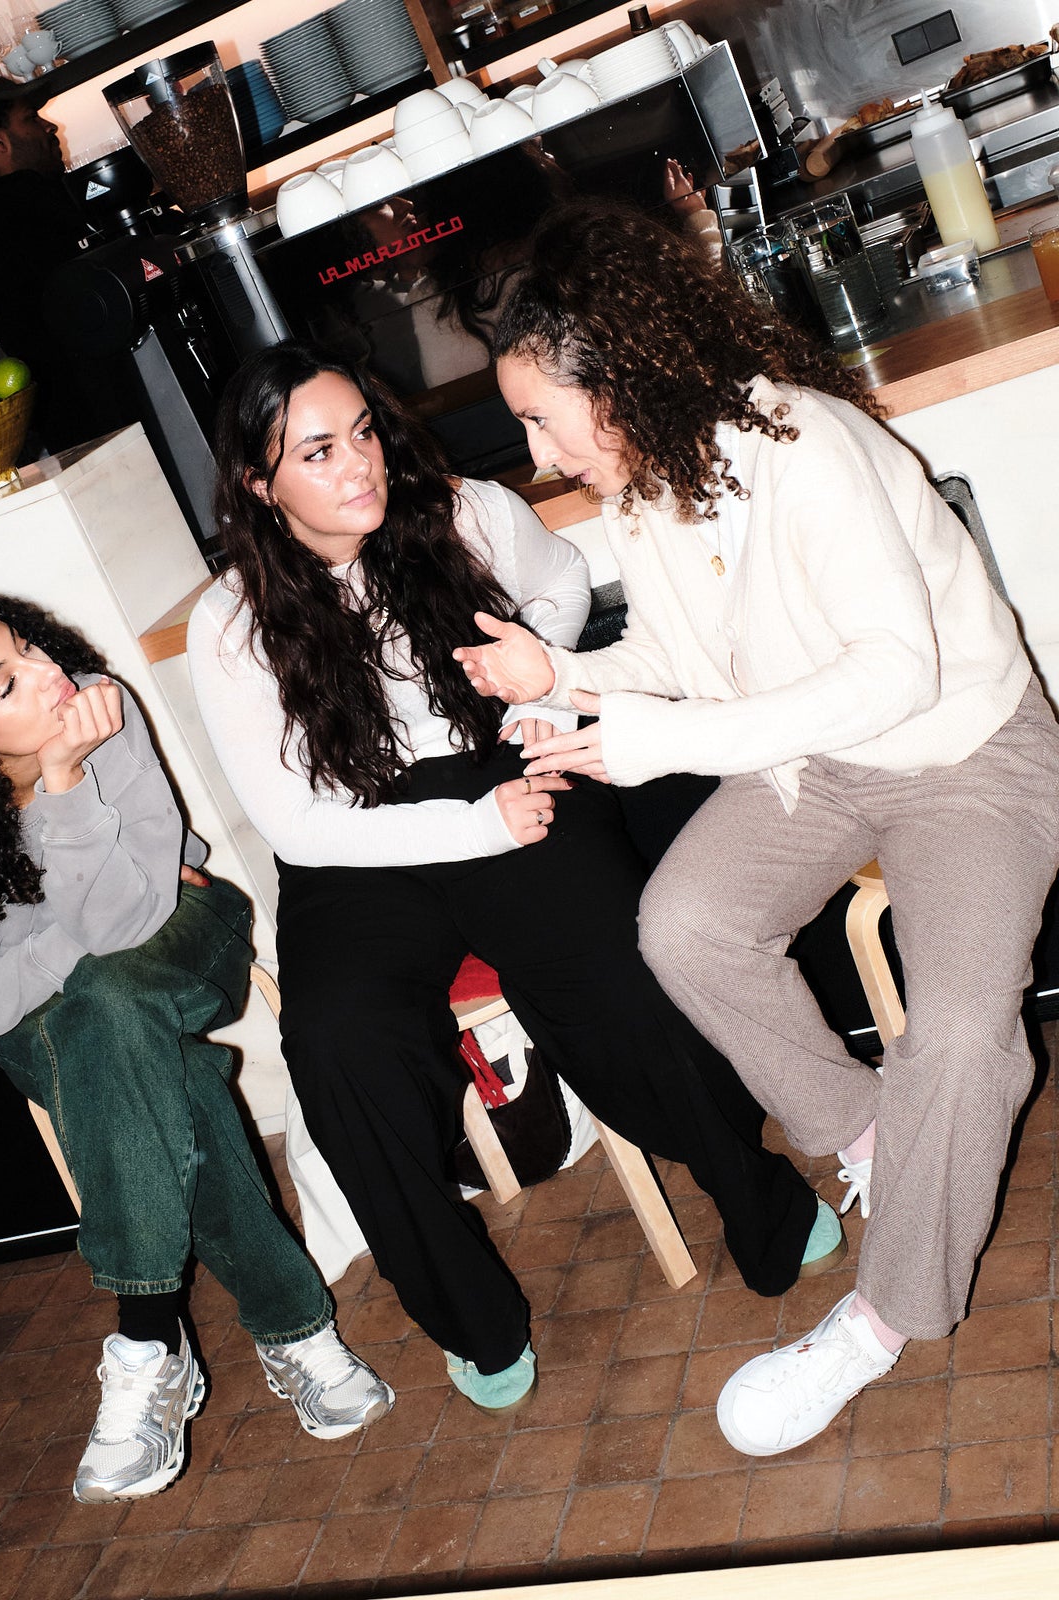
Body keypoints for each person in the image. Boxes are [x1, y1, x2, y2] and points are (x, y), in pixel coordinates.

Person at [454, 197, 1059, 1455]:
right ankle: (874, 1138)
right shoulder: (646, 477)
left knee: (959, 1034)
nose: (538, 455)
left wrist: (653, 740)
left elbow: (892, 672)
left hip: (963, 751)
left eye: (541, 418)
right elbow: (677, 649)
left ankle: (879, 1321)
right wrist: (563, 676)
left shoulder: (802, 445)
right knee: (683, 928)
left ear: (618, 380)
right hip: (815, 759)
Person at [186, 341, 848, 1415]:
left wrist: (535, 695)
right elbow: (295, 824)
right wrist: (469, 829)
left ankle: (753, 1192)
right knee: (337, 1042)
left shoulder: (465, 512)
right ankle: (470, 1316)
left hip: (501, 769)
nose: (359, 464)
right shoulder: (229, 621)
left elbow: (563, 584)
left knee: (615, 968)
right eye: (317, 451)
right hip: (357, 840)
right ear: (260, 485)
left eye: (363, 432)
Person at [0, 592, 393, 1505]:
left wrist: (65, 783)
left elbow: (130, 920)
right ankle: (295, 1331)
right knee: (137, 1046)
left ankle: (148, 1338)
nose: (48, 673)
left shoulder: (100, 708)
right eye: (7, 683)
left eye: (26, 646)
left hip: (185, 934)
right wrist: (64, 947)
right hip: (58, 1020)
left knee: (107, 1002)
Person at [0, 77, 131, 453]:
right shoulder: (20, 207)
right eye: (31, 118)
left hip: (85, 430)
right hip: (114, 417)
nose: (50, 126)